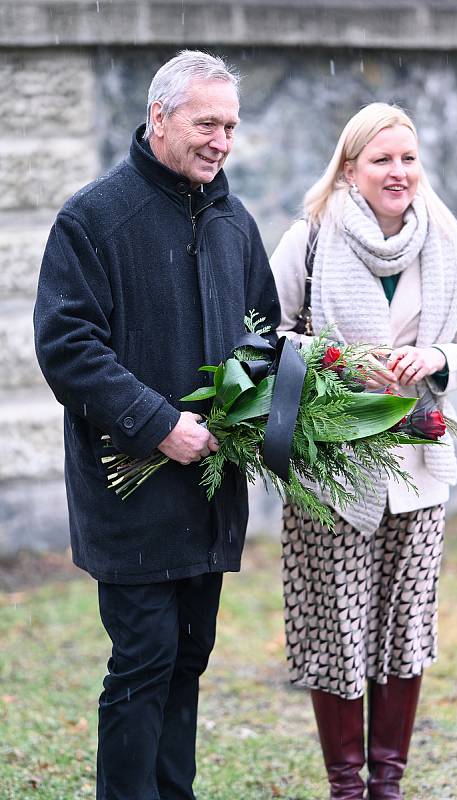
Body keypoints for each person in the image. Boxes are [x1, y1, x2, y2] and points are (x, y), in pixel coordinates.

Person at [34, 50, 280, 800]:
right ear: (159, 118)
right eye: (207, 122)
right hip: (130, 492)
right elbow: (68, 348)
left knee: (189, 659)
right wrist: (156, 422)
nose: (221, 140)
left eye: (231, 125)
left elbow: (262, 333)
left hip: (209, 493)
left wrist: (257, 401)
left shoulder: (236, 221)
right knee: (142, 661)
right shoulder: (93, 217)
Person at [270, 102, 457, 799]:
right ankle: (345, 787)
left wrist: (433, 356)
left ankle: (386, 786)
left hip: (420, 470)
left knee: (402, 630)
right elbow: (264, 335)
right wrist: (338, 360)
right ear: (349, 168)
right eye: (381, 160)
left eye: (407, 158)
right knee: (337, 630)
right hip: (334, 470)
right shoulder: (308, 238)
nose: (397, 172)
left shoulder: (450, 245)